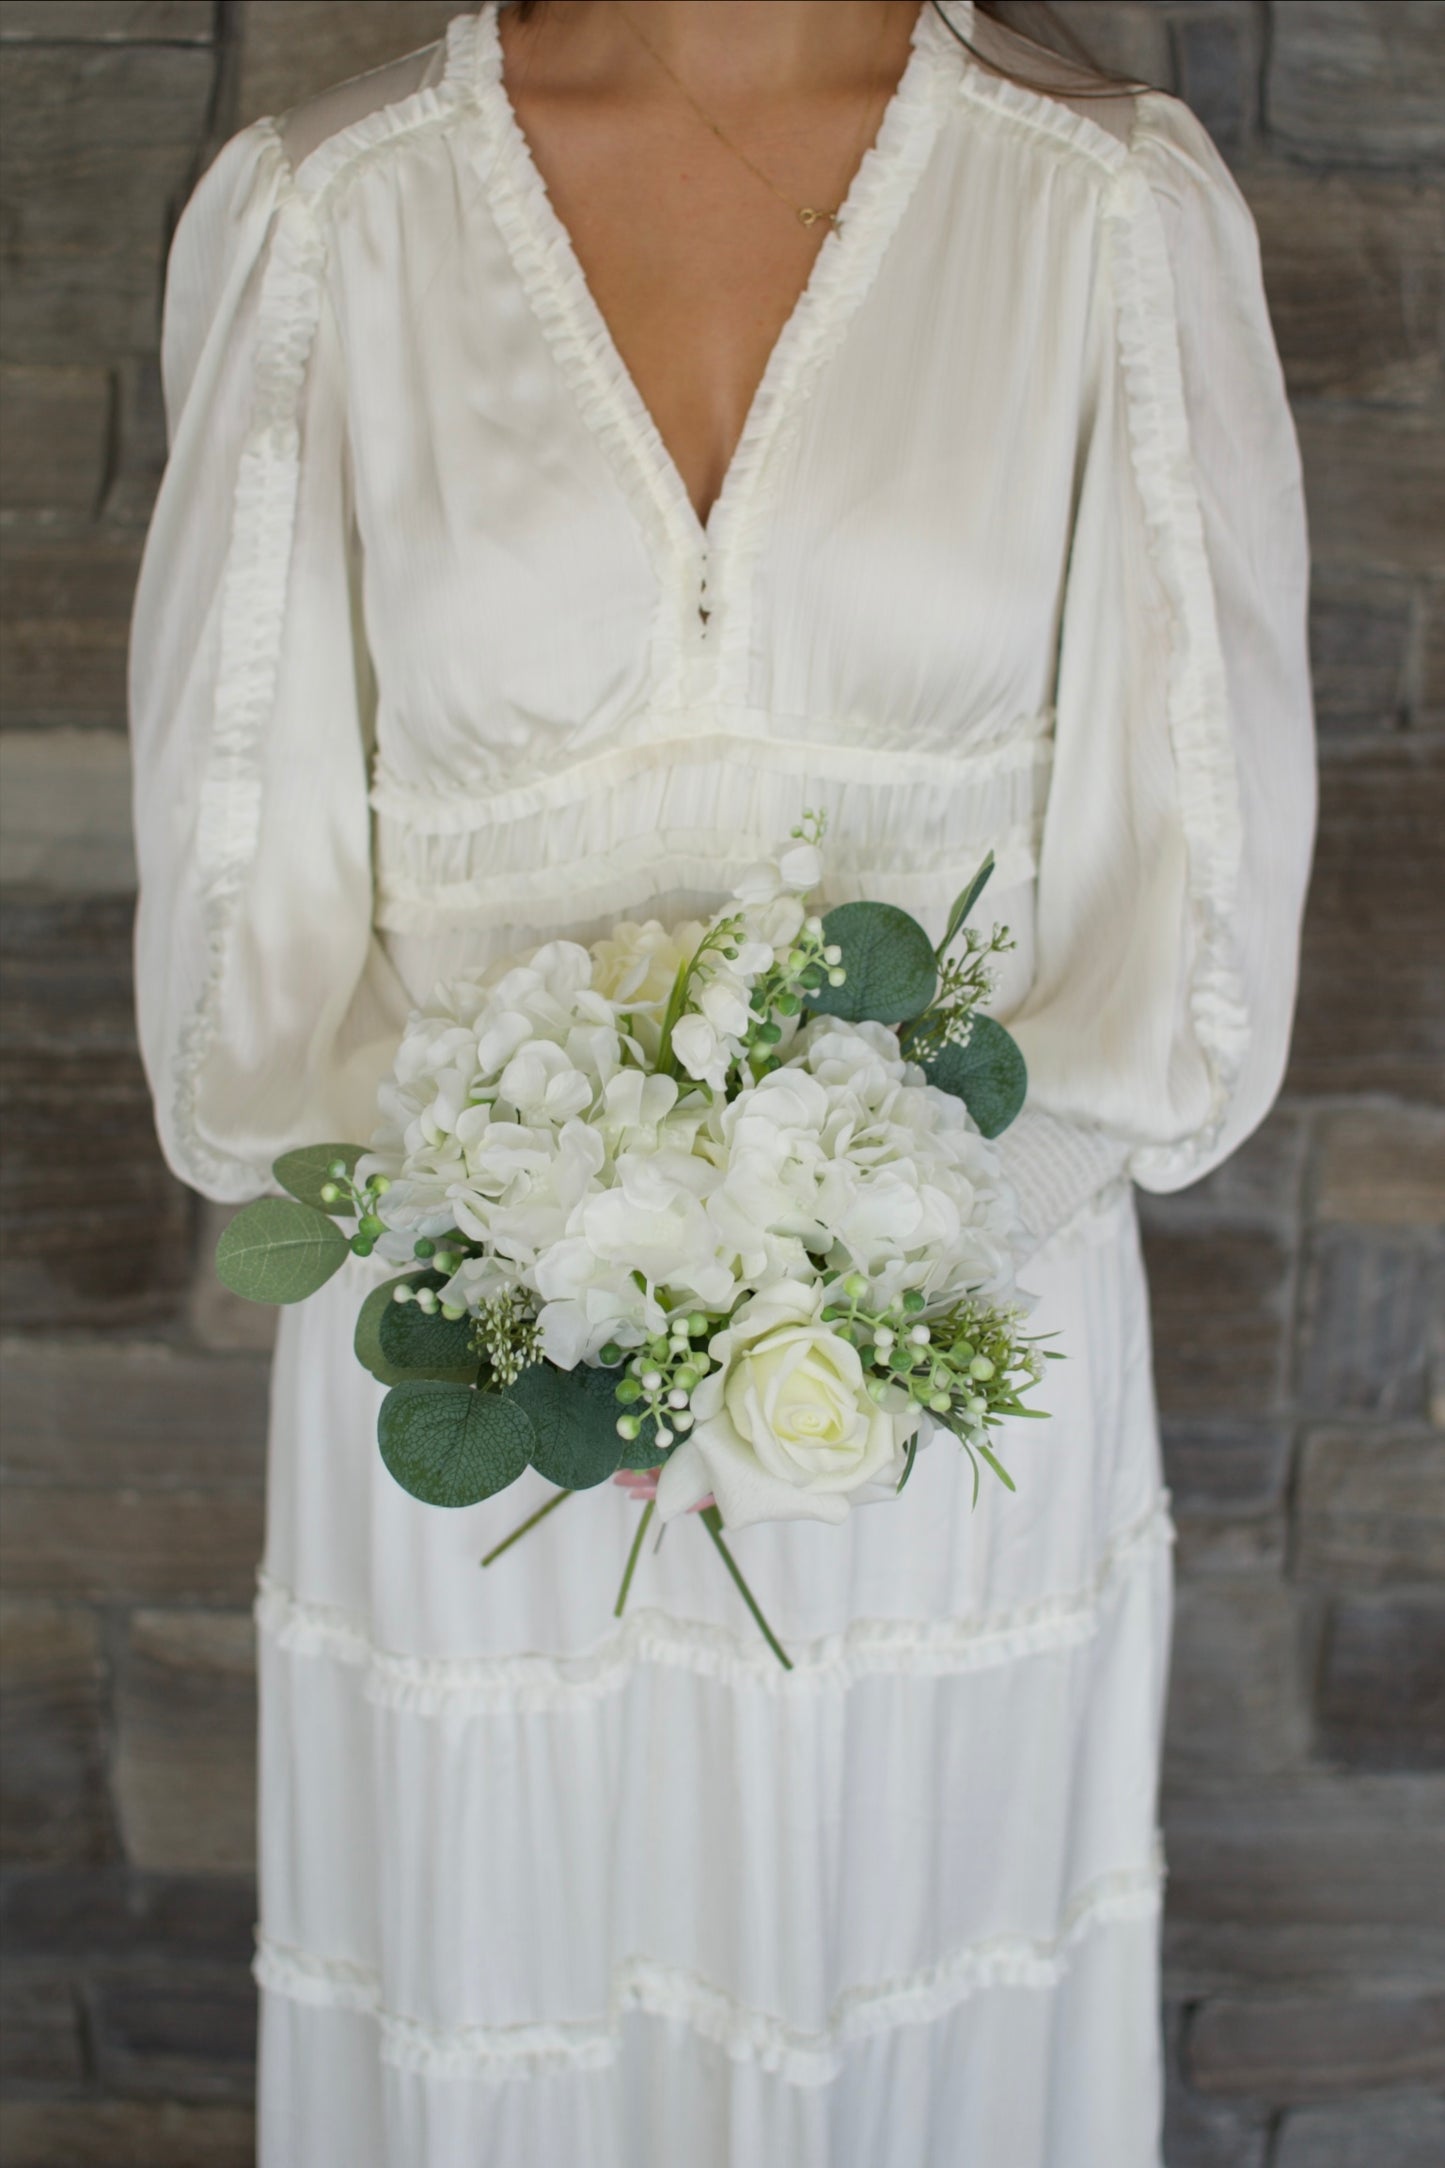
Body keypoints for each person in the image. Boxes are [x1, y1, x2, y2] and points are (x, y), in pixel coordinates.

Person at [126, 2, 1316, 2161]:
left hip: (933, 1383)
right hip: (486, 1394)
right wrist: (546, 1230)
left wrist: (850, 1244)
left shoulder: (1103, 208)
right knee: (510, 2019)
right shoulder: (333, 214)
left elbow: (1191, 922)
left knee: (909, 2014)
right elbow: (256, 941)